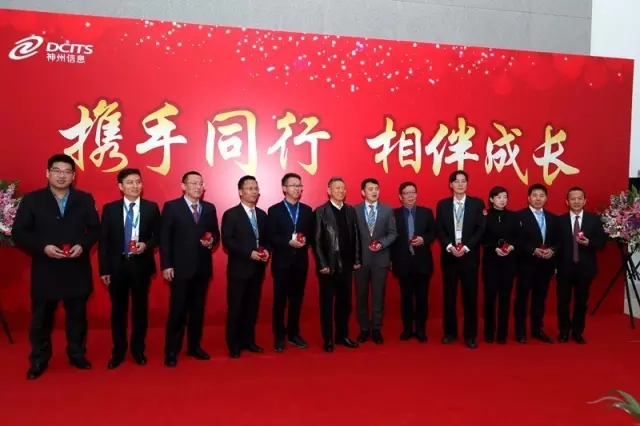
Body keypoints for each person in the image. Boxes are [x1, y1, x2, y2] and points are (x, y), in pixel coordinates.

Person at [12, 153, 100, 380]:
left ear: (73, 176)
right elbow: (19, 232)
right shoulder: (32, 199)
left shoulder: (84, 199)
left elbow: (95, 229)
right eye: (57, 171)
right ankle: (39, 360)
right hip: (46, 269)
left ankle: (77, 354)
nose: (62, 176)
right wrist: (43, 247)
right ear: (48, 173)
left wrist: (83, 245)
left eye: (67, 172)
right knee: (41, 319)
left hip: (76, 268)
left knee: (77, 318)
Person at [98, 168, 161, 368]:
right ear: (121, 186)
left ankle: (138, 349)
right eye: (130, 182)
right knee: (118, 311)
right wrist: (104, 269)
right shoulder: (110, 209)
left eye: (138, 182)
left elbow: (159, 235)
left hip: (141, 265)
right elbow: (104, 241)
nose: (135, 186)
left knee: (140, 310)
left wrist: (146, 245)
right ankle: (118, 351)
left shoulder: (151, 208)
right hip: (117, 266)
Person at [160, 171, 220, 367]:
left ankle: (194, 346)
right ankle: (171, 350)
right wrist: (166, 264)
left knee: (197, 311)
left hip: (202, 268)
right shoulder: (172, 207)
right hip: (179, 268)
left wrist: (212, 241)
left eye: (200, 183)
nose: (198, 187)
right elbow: (165, 239)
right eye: (193, 183)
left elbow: (215, 233)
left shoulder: (209, 208)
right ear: (183, 186)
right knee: (177, 311)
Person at [435, 170, 486, 349]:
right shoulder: (442, 204)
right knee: (449, 296)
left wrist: (466, 247)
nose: (460, 184)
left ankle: (470, 335)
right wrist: (449, 246)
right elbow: (439, 228)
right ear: (451, 184)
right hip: (449, 256)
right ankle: (450, 332)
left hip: (469, 256)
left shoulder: (476, 203)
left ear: (467, 184)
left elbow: (481, 228)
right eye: (456, 181)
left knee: (470, 296)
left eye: (464, 181)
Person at [221, 175, 270, 358]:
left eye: (256, 188)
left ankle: (248, 341)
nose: (254, 192)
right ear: (240, 192)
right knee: (236, 308)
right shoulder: (231, 214)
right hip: (239, 269)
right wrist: (248, 252)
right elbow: (227, 241)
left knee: (252, 307)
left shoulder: (262, 215)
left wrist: (267, 250)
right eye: (250, 188)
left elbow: (267, 239)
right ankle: (233, 344)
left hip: (257, 269)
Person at [312, 177, 361, 352]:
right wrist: (322, 264)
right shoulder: (321, 211)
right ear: (329, 191)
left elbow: (356, 236)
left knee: (345, 303)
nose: (341, 191)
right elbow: (316, 241)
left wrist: (357, 259)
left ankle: (342, 335)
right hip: (329, 266)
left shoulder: (350, 210)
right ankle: (328, 339)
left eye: (343, 188)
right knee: (327, 304)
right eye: (337, 188)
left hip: (347, 265)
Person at [266, 173, 314, 352]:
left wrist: (305, 240)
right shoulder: (274, 210)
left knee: (297, 300)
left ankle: (294, 333)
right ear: (284, 188)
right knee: (280, 300)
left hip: (300, 262)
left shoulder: (307, 210)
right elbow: (271, 236)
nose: (297, 188)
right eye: (293, 185)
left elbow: (311, 233)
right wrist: (288, 241)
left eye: (299, 185)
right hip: (282, 262)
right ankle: (279, 335)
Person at [555, 187, 606, 343]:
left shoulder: (594, 220)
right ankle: (564, 331)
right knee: (563, 302)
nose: (576, 201)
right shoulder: (560, 221)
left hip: (585, 269)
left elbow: (602, 243)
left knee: (581, 302)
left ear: (585, 201)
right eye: (573, 199)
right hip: (564, 268)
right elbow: (556, 244)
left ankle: (577, 332)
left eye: (579, 198)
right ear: (567, 201)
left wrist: (589, 243)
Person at [390, 181, 435, 342]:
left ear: (416, 194)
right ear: (400, 196)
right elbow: (390, 238)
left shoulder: (426, 212)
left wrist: (424, 239)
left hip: (422, 263)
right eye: (406, 193)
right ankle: (408, 329)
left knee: (422, 298)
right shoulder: (393, 214)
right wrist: (391, 260)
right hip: (403, 263)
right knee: (406, 298)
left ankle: (421, 330)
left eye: (413, 192)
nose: (410, 196)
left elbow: (434, 232)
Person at [354, 178, 397, 344]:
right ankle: (364, 328)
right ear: (363, 192)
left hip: (380, 259)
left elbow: (393, 233)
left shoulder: (387, 210)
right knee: (361, 296)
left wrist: (382, 243)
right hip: (361, 261)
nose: (374, 192)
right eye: (370, 189)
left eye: (376, 189)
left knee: (378, 296)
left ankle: (377, 328)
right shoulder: (354, 210)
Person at [514, 183, 557, 344]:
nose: (538, 199)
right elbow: (516, 240)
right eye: (534, 195)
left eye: (541, 196)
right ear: (528, 197)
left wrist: (553, 250)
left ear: (546, 198)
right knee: (522, 299)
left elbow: (559, 241)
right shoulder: (519, 216)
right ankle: (520, 331)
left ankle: (537, 329)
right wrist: (532, 250)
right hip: (526, 264)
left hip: (545, 265)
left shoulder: (553, 218)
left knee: (540, 299)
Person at [481, 186, 518, 344]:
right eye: (499, 197)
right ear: (491, 199)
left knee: (505, 297)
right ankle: (489, 331)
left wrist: (511, 247)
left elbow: (518, 237)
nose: (502, 200)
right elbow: (481, 236)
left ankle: (502, 333)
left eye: (505, 197)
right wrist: (493, 247)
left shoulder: (513, 216)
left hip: (508, 262)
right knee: (490, 297)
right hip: (491, 261)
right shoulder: (484, 215)